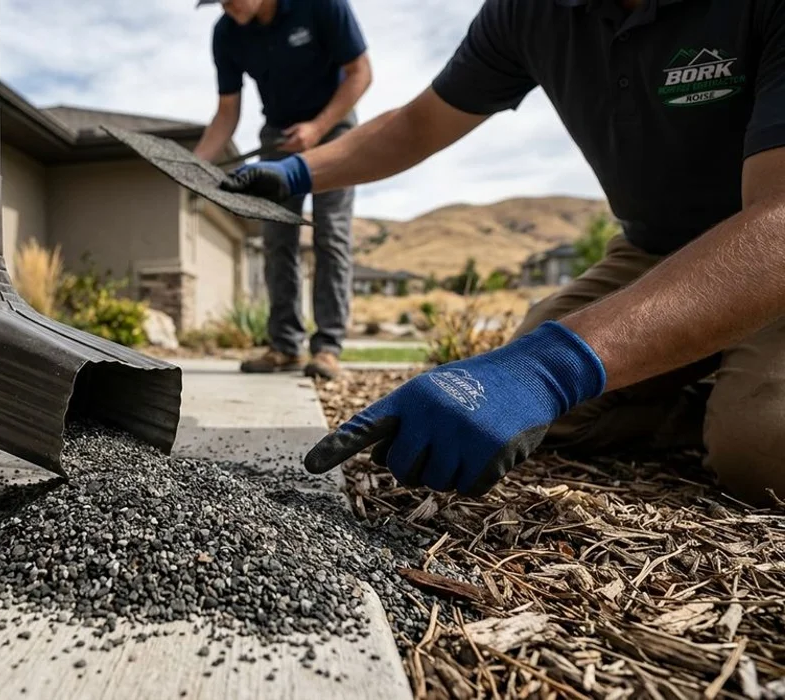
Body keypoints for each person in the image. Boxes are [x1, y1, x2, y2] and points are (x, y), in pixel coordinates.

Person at [222, 0, 785, 506]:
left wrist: (551, 368)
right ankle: (702, 404)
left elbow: (778, 221)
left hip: (768, 248)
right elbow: (418, 123)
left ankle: (734, 407)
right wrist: (295, 172)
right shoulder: (527, 12)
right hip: (657, 249)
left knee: (758, 454)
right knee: (533, 413)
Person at [193, 0, 372, 379]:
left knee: (331, 232)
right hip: (278, 135)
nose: (225, 5)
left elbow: (360, 73)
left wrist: (318, 128)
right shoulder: (225, 32)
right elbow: (227, 113)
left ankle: (327, 348)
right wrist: (195, 167)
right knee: (277, 239)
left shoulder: (322, 6)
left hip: (333, 128)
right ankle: (285, 345)